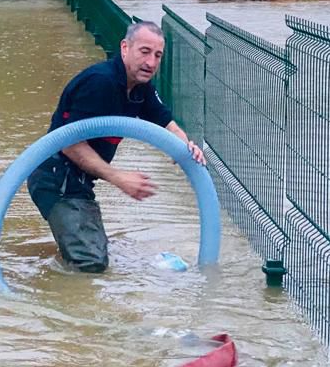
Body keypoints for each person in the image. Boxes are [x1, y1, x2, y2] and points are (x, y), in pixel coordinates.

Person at [26, 20, 205, 273]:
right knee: (91, 264)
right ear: (125, 48)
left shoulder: (140, 89)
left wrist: (186, 148)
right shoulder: (101, 83)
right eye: (144, 52)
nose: (151, 63)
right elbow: (69, 144)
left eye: (157, 55)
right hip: (56, 180)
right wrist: (119, 178)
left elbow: (167, 123)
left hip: (78, 182)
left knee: (96, 253)